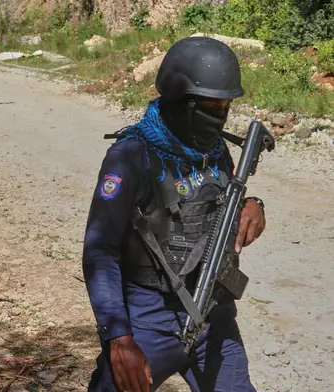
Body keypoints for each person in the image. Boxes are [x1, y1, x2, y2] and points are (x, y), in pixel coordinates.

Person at [82, 36, 267, 392]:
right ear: (180, 101)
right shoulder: (131, 155)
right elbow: (99, 249)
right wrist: (118, 337)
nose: (219, 118)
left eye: (225, 108)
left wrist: (255, 205)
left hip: (213, 315)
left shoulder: (215, 151)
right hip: (147, 319)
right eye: (211, 107)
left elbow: (225, 200)